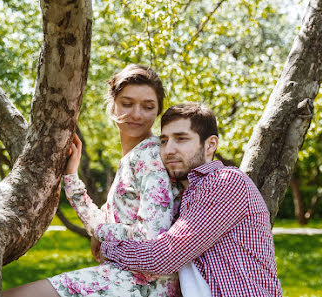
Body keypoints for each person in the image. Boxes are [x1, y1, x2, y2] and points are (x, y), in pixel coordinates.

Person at [3, 64, 183, 297]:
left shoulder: (150, 157)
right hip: (123, 276)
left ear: (158, 111)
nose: (137, 114)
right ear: (111, 104)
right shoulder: (132, 157)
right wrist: (71, 178)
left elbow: (150, 238)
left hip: (143, 285)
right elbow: (103, 222)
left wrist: (101, 233)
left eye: (148, 107)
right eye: (127, 104)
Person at [99, 102, 283, 297]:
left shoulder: (226, 181)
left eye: (181, 139)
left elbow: (165, 255)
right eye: (163, 140)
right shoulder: (185, 193)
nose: (168, 150)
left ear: (210, 145)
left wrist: (108, 248)